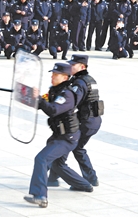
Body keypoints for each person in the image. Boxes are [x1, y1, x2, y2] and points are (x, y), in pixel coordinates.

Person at [24, 62, 93, 208]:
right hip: (59, 134)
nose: (52, 77)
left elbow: (53, 110)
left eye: (56, 75)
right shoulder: (55, 90)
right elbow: (44, 104)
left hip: (67, 137)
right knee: (58, 164)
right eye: (52, 74)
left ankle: (40, 196)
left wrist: (40, 100)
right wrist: (31, 96)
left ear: (65, 77)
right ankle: (84, 185)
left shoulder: (67, 94)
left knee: (42, 158)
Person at [48, 54, 103, 188]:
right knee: (68, 146)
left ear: (82, 66)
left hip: (86, 121)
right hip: (93, 120)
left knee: (71, 147)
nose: (70, 67)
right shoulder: (89, 79)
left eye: (74, 65)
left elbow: (71, 103)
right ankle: (54, 178)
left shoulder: (79, 83)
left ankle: (90, 178)